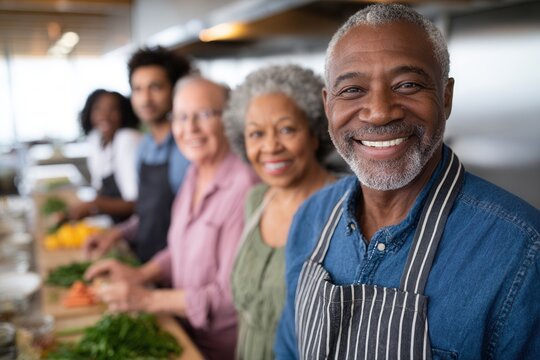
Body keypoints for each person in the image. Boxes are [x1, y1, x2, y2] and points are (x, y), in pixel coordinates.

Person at [274, 4, 540, 360]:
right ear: (327, 105)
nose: (380, 111)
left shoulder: (521, 251)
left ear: (445, 97)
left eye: (408, 85)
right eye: (352, 89)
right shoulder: (311, 218)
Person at [85, 76, 259, 360]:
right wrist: (140, 274)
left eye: (203, 115)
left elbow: (232, 297)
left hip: (219, 350)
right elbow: (181, 251)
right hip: (182, 331)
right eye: (180, 117)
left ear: (230, 120)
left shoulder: (245, 187)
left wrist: (147, 299)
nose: (189, 128)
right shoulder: (194, 173)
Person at [224, 64, 335, 360]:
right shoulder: (256, 201)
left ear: (314, 133)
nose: (270, 146)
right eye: (256, 134)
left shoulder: (343, 207)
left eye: (286, 129)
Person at [84, 46, 191, 262]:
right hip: (146, 257)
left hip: (178, 266)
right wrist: (116, 234)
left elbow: (191, 225)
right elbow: (147, 214)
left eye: (155, 87)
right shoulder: (144, 147)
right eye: (138, 89)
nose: (145, 99)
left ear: (174, 90)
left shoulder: (186, 149)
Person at [68, 89, 141, 223]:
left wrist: (94, 205)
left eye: (113, 109)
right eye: (98, 109)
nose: (105, 115)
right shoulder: (96, 139)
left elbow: (134, 203)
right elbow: (98, 190)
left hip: (133, 227)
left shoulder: (127, 139)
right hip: (114, 225)